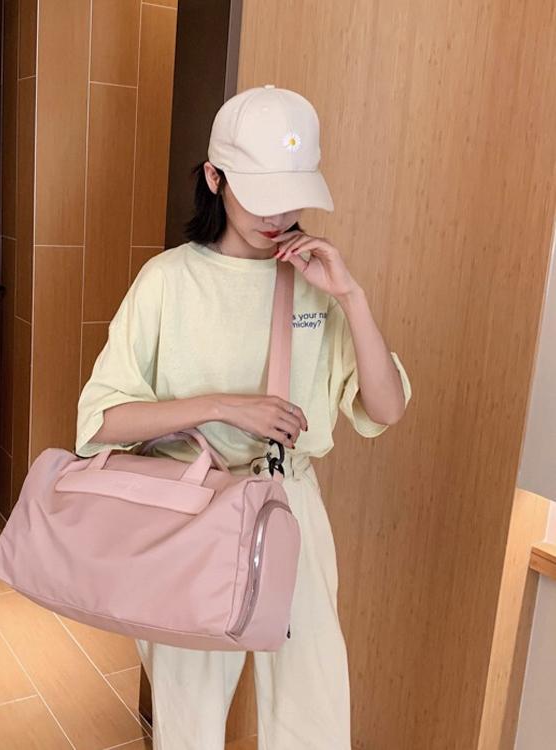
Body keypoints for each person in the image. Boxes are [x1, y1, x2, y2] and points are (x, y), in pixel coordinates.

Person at [74, 85, 412, 750]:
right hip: (190, 509)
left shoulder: (315, 284)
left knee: (313, 713)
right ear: (214, 178)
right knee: (190, 719)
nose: (277, 214)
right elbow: (99, 423)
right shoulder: (167, 281)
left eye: (291, 194)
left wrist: (351, 296)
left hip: (291, 508)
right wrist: (223, 406)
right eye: (260, 193)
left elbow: (386, 407)